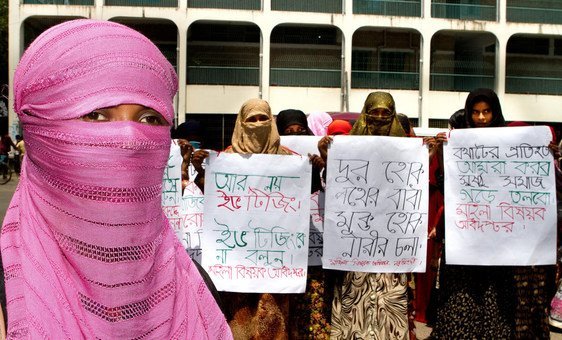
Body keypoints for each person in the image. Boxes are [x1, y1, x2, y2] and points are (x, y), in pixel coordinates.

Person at [2, 19, 231, 339]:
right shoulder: (7, 298)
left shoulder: (197, 289)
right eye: (95, 114)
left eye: (150, 118)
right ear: (37, 128)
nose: (130, 139)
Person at [318, 92, 414, 339]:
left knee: (388, 306)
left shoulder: (407, 151)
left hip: (390, 249)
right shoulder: (347, 148)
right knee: (354, 305)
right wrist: (330, 160)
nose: (379, 118)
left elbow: (413, 192)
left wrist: (428, 157)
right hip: (355, 249)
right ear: (365, 113)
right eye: (374, 112)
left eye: (385, 113)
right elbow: (337, 188)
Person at [431, 88, 517, 339]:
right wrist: (441, 150)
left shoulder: (511, 143)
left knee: (495, 296)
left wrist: (546, 154)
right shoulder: (457, 143)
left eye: (486, 111)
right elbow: (447, 184)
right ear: (468, 113)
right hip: (464, 236)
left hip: (498, 239)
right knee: (460, 296)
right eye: (476, 112)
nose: (481, 118)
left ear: (495, 112)